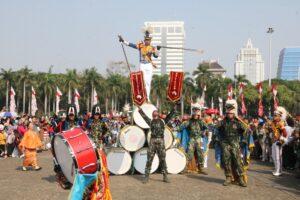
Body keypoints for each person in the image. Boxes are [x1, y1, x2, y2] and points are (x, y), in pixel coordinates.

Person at [138, 103, 176, 184]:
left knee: (163, 159)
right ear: (152, 115)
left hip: (161, 141)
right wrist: (139, 109)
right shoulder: (150, 121)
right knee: (149, 159)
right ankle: (146, 176)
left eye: (156, 112)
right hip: (153, 141)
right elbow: (144, 116)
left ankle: (165, 176)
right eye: (154, 112)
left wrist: (174, 108)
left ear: (158, 114)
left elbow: (170, 116)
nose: (155, 112)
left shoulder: (163, 121)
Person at [119, 27, 160, 101]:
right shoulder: (141, 46)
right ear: (144, 40)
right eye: (146, 40)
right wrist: (123, 41)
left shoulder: (152, 48)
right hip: (142, 65)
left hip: (149, 65)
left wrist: (158, 50)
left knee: (148, 82)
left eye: (149, 40)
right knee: (142, 81)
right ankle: (142, 96)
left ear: (150, 41)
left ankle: (148, 97)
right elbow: (131, 45)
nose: (147, 41)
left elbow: (156, 56)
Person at [217, 100, 247, 187]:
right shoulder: (222, 122)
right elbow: (216, 131)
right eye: (228, 112)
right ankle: (228, 177)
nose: (229, 114)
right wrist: (220, 141)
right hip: (225, 144)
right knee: (226, 161)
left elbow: (246, 131)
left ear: (234, 113)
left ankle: (240, 178)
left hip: (235, 143)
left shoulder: (238, 122)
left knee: (237, 161)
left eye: (231, 112)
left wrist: (243, 141)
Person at [181, 107, 208, 175]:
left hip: (199, 139)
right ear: (193, 114)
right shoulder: (189, 121)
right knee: (189, 153)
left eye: (197, 114)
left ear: (198, 115)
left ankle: (201, 168)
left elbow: (207, 127)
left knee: (200, 154)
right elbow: (181, 127)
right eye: (194, 114)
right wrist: (174, 129)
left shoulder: (201, 121)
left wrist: (204, 132)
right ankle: (186, 168)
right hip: (192, 139)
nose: (196, 115)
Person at [271, 109, 287, 176]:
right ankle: (276, 169)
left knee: (278, 157)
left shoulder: (281, 123)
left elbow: (285, 134)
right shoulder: (273, 123)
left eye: (276, 115)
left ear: (279, 116)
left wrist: (281, 141)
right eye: (274, 115)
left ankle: (279, 171)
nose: (274, 116)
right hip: (274, 141)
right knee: (274, 156)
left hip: (278, 142)